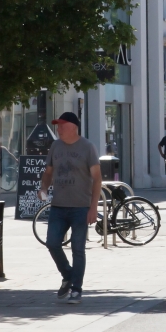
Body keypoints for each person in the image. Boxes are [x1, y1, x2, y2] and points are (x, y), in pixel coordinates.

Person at [38, 111, 101, 304]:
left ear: (73, 127)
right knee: (52, 243)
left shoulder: (87, 147)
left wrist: (93, 207)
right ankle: (67, 275)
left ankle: (76, 289)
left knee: (78, 248)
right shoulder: (55, 146)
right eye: (58, 126)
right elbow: (48, 172)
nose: (59, 129)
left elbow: (97, 178)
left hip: (80, 207)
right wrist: (43, 187)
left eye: (62, 126)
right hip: (58, 206)